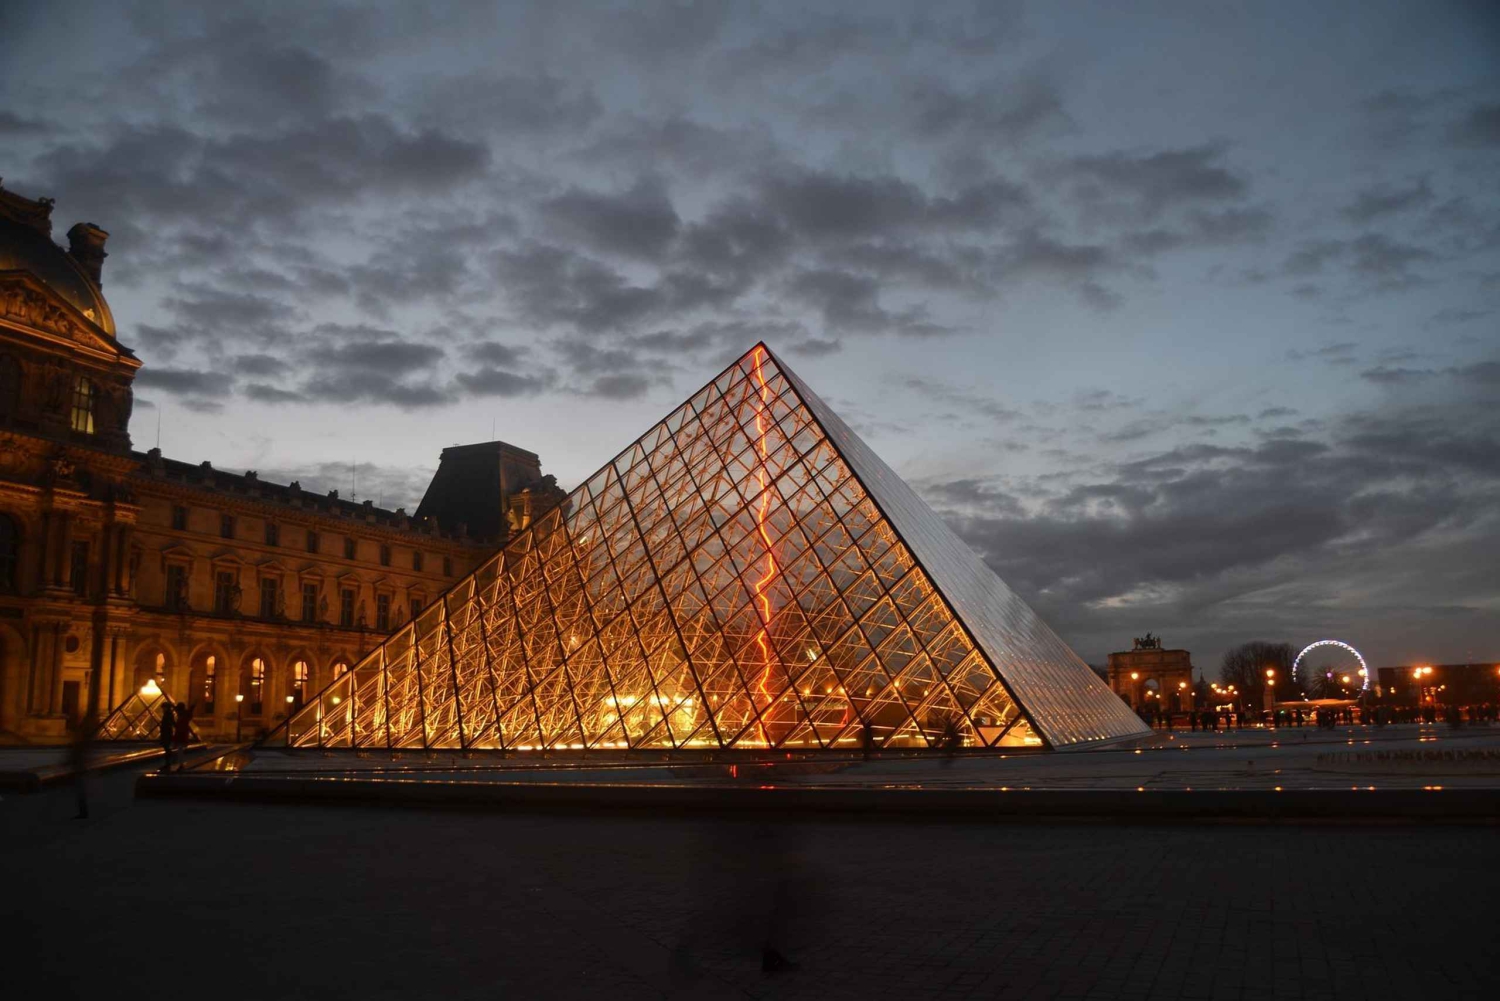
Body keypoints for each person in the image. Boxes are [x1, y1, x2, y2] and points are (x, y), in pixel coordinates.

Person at [172, 701, 194, 770]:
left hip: (181, 734)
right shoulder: (185, 715)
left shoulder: (182, 716)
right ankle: (180, 763)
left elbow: (179, 727)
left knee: (180, 750)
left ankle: (181, 764)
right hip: (183, 734)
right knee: (180, 750)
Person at [159, 699, 176, 772]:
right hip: (167, 733)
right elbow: (173, 723)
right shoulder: (169, 714)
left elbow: (169, 724)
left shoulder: (168, 714)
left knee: (167, 748)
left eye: (163, 708)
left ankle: (169, 762)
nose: (162, 709)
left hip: (166, 733)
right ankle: (169, 762)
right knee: (166, 748)